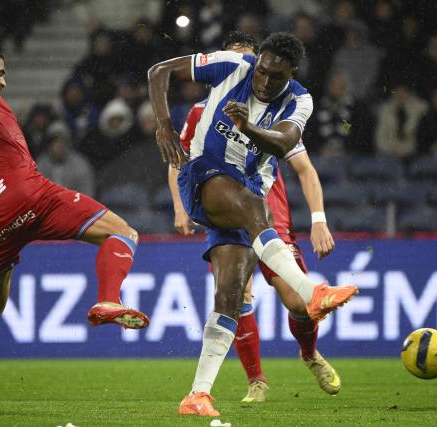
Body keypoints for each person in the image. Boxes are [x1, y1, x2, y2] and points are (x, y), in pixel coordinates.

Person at [0, 42, 150, 415]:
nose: (1, 82)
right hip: (28, 195)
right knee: (123, 232)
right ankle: (108, 298)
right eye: (0, 72)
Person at [149, 32, 358, 416]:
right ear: (256, 61)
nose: (263, 82)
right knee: (257, 213)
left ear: (291, 74)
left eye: (275, 77)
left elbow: (284, 144)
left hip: (244, 195)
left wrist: (249, 129)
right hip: (204, 174)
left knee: (229, 297)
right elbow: (159, 71)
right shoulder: (234, 67)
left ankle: (197, 395)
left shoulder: (300, 100)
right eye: (261, 71)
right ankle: (312, 292)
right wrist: (163, 125)